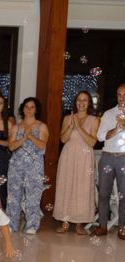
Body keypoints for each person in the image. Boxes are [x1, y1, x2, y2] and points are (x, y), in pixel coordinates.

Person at [53, 91, 99, 235]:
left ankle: (79, 224)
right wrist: (71, 126)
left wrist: (79, 127)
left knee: (82, 188)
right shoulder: (68, 118)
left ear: (89, 103)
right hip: (68, 155)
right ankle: (65, 222)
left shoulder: (94, 120)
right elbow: (63, 139)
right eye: (79, 100)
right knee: (66, 186)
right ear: (75, 102)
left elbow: (92, 141)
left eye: (85, 100)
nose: (81, 102)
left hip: (85, 157)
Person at [6, 97, 49, 234]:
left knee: (33, 196)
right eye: (26, 106)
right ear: (22, 109)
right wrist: (24, 138)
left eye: (32, 107)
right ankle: (12, 224)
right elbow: (11, 146)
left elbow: (42, 145)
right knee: (13, 196)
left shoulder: (42, 126)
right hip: (16, 166)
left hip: (34, 166)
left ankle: (32, 226)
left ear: (36, 110)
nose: (29, 109)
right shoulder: (16, 127)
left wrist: (31, 137)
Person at [93, 83, 125, 239]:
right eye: (119, 95)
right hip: (107, 156)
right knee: (104, 193)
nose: (122, 98)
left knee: (124, 194)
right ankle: (103, 225)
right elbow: (100, 136)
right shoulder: (108, 114)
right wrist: (117, 129)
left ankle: (123, 228)